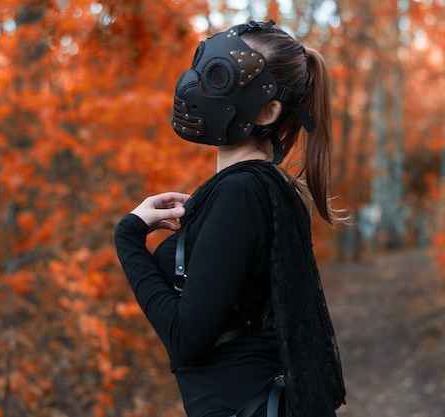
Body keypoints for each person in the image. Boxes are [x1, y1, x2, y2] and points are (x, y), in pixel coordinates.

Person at [115, 20, 346, 417]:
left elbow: (185, 338)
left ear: (269, 109)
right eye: (203, 68)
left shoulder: (243, 192)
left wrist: (128, 237)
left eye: (220, 77)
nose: (196, 88)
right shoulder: (261, 188)